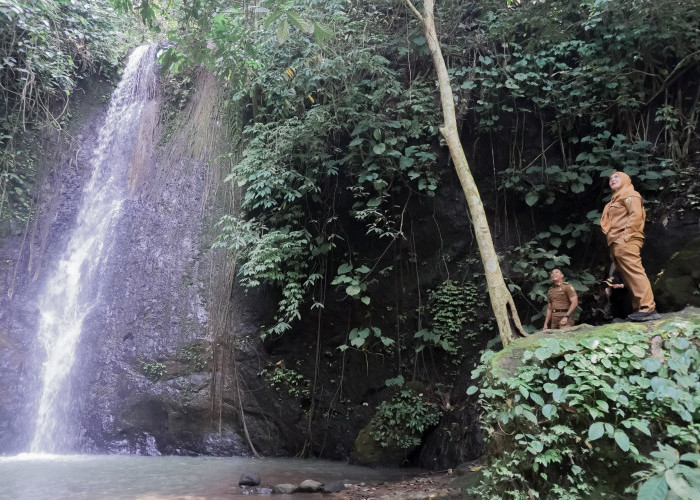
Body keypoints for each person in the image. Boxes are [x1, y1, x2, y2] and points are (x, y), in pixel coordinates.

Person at [600, 171, 660, 321]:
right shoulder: (614, 199)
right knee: (628, 277)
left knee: (634, 273)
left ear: (626, 179)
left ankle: (648, 308)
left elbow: (636, 216)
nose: (612, 179)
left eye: (616, 177)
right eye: (610, 178)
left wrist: (625, 237)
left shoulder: (630, 194)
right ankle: (640, 309)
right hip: (616, 241)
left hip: (626, 239)